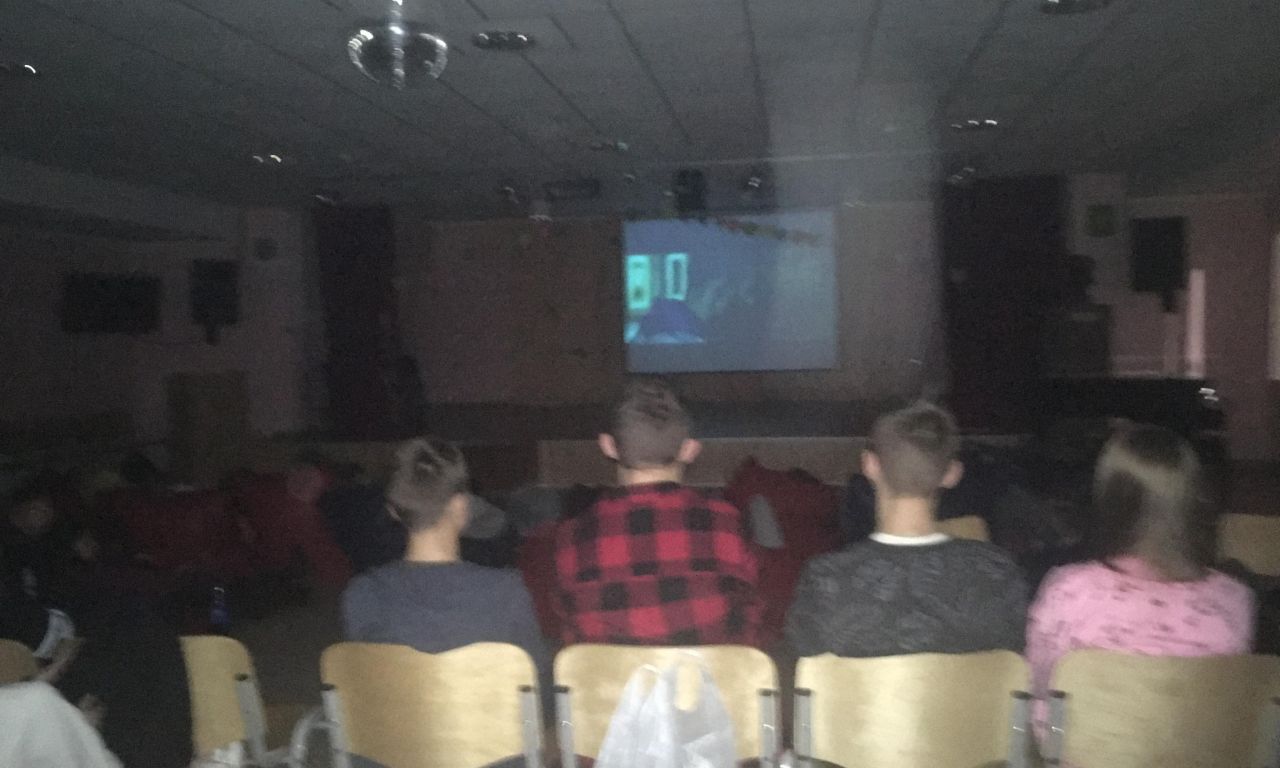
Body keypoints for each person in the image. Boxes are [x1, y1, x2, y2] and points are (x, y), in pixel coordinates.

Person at [1025, 425, 1254, 704]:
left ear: (1110, 498)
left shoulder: (1068, 591)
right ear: (1192, 499)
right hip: (1198, 735)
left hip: (1082, 734)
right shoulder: (1233, 601)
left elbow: (1037, 695)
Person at [785, 402, 1027, 657]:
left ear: (869, 464)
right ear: (952, 473)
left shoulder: (827, 580)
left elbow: (807, 672)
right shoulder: (997, 573)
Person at [553, 379, 761, 645]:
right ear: (690, 450)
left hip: (605, 673)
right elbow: (750, 621)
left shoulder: (571, 535)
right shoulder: (726, 522)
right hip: (709, 672)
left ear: (607, 445)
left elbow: (571, 635)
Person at [341, 437, 546, 665]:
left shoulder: (363, 594)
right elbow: (534, 677)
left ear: (393, 511)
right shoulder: (506, 591)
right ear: (461, 505)